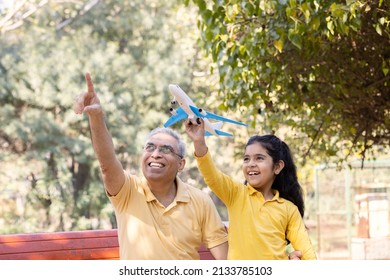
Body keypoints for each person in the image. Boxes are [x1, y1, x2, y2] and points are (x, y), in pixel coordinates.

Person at [73, 73, 228, 260]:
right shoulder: (127, 191)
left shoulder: (200, 201)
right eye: (150, 147)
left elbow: (225, 260)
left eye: (166, 149)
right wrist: (96, 116)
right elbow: (107, 164)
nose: (155, 154)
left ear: (181, 164)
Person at [185, 118, 317, 260]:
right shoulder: (236, 194)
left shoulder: (289, 209)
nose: (251, 164)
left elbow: (307, 253)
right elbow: (211, 174)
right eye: (246, 159)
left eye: (259, 158)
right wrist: (199, 141)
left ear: (277, 167)